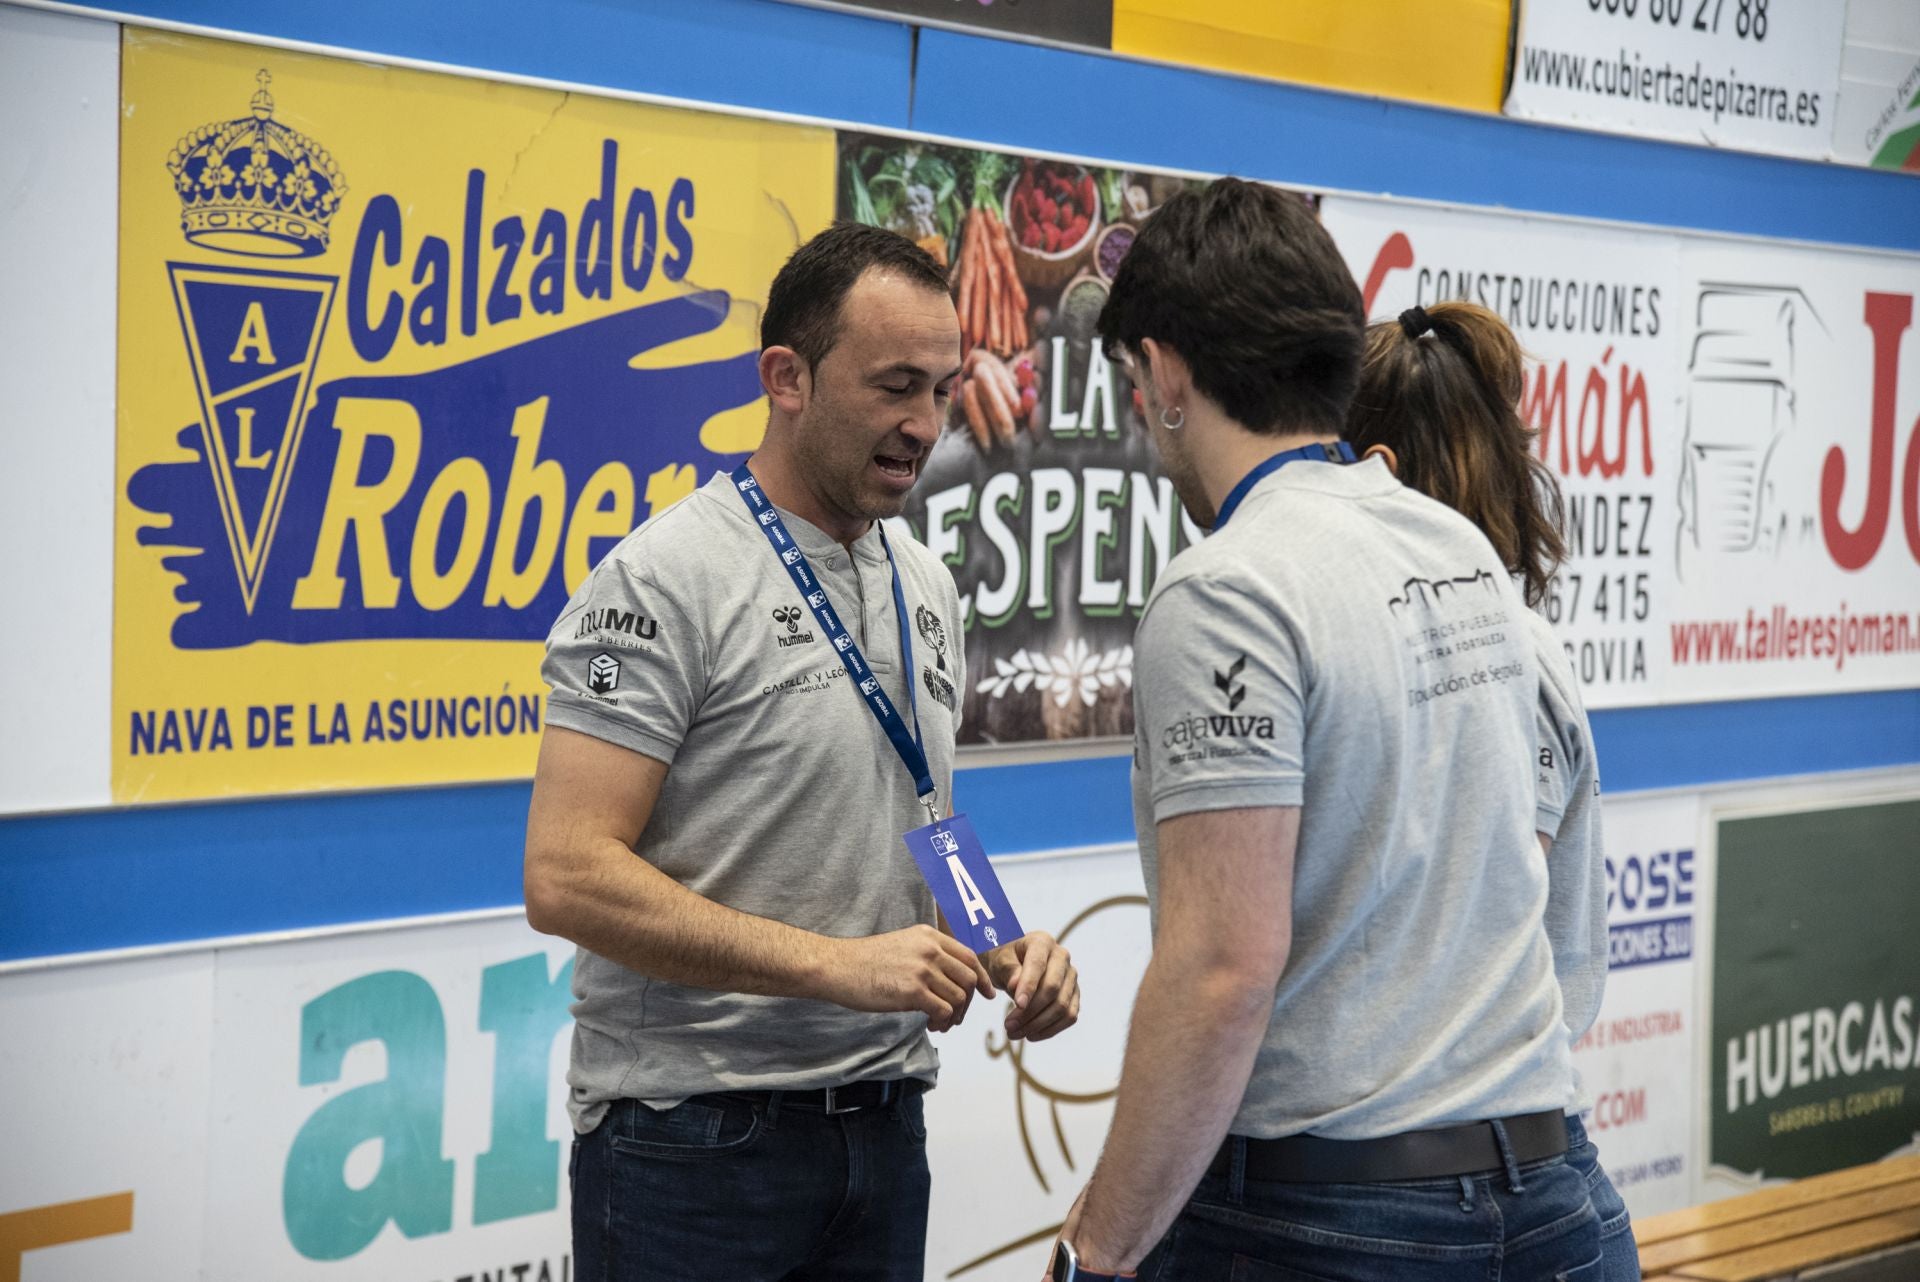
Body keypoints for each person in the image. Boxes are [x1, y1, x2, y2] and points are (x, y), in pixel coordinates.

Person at [1044, 178, 1598, 1281]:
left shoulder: (1227, 591)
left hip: (1334, 1212)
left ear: (1162, 374)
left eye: (1127, 381)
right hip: (1554, 1194)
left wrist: (1094, 1252)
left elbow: (1222, 968)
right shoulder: (1455, 546)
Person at [523, 221, 1080, 1282]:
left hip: (882, 1128)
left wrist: (1003, 945)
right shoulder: (662, 581)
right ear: (786, 376)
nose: (925, 425)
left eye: (943, 390)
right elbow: (565, 875)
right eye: (894, 387)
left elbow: (923, 818)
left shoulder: (922, 579)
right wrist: (837, 966)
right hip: (692, 1145)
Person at [1346, 299, 1637, 1281]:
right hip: (1523, 1153)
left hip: (1465, 1162)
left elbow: (1490, 917)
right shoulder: (1511, 646)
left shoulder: (1497, 654)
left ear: (1373, 466)